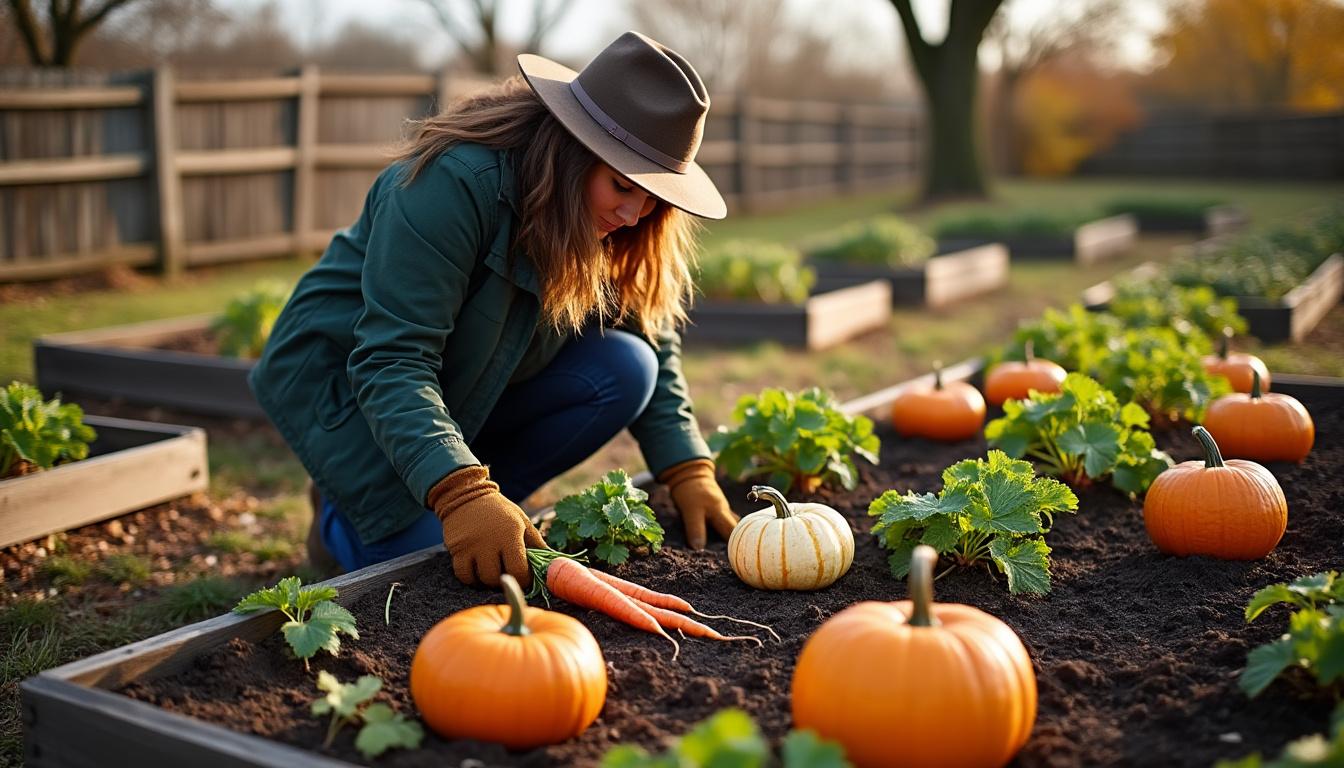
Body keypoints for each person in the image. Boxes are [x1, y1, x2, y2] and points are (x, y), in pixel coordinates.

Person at [250, 31, 740, 589]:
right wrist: (460, 495)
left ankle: (463, 495)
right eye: (624, 185)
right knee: (426, 569)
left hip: (463, 380)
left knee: (628, 367)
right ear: (575, 147)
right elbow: (392, 359)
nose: (635, 213)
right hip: (348, 387)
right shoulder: (453, 184)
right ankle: (344, 515)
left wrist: (686, 465)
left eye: (654, 195)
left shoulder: (604, 213)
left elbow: (648, 331)